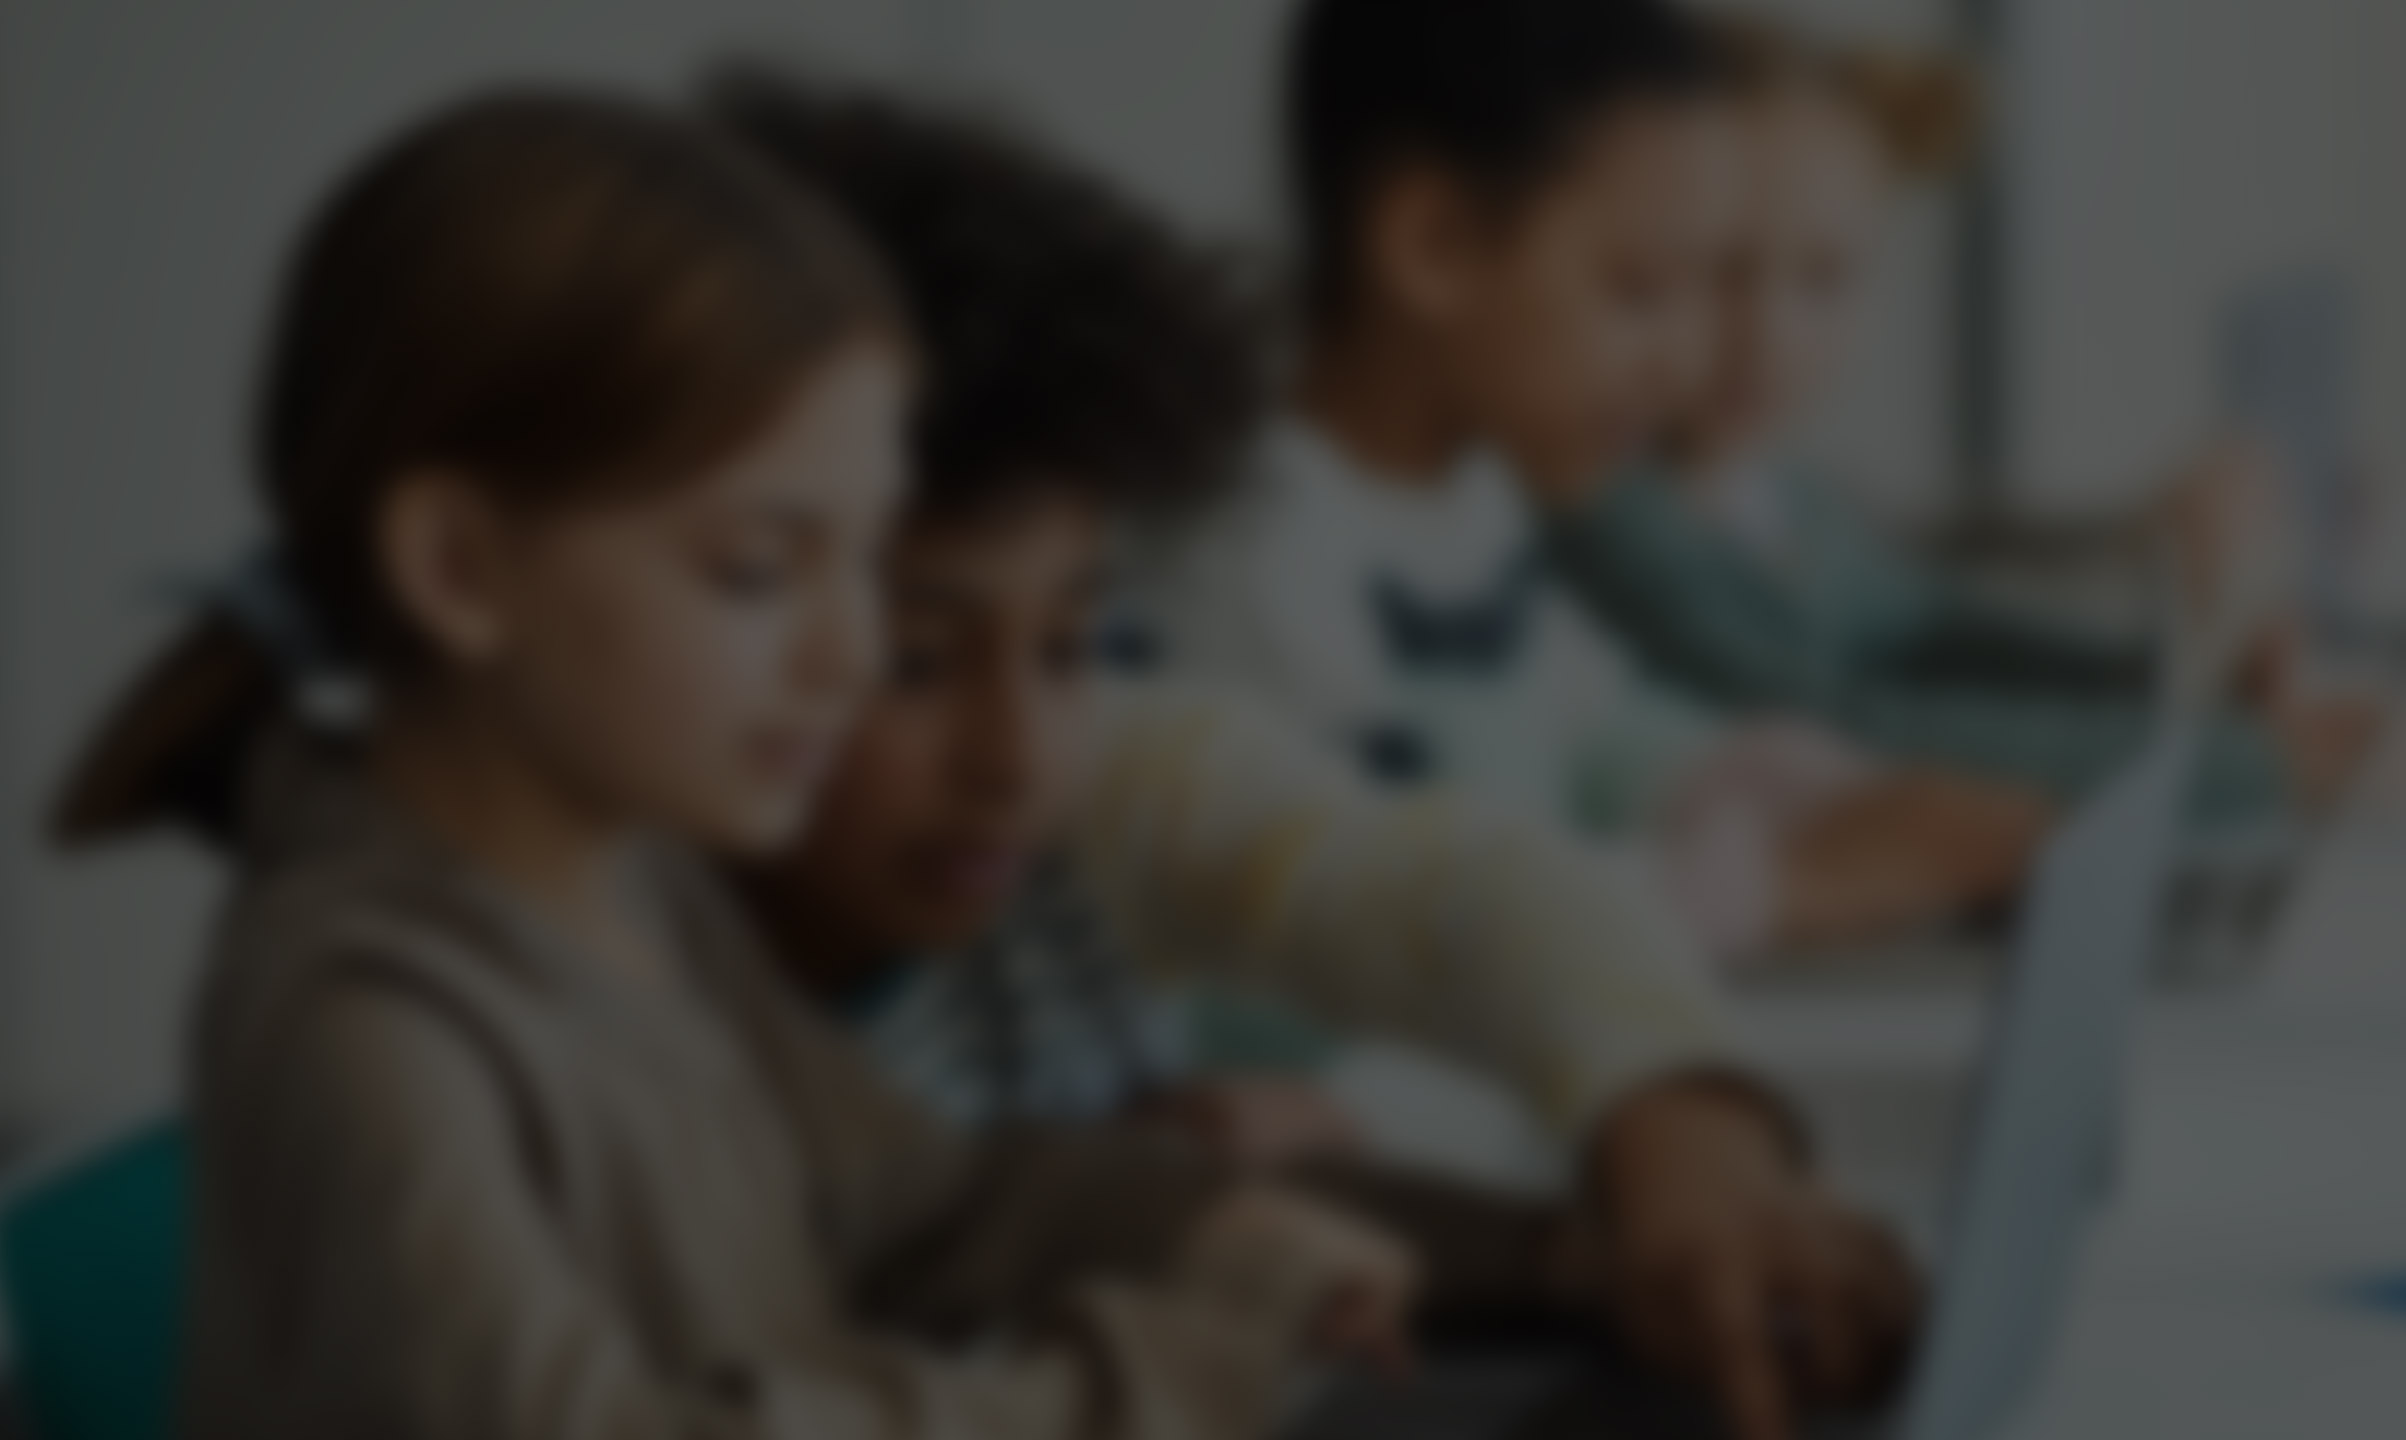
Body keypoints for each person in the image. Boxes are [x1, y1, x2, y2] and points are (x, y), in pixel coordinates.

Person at [51, 88, 1438, 1440]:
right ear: (461, 569)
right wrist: (1169, 1367)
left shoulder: (639, 880)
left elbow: (913, 1197)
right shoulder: (364, 1027)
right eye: (761, 567)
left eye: (864, 563)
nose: (848, 654)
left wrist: (1232, 1225)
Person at [713, 74, 1918, 1440]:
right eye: (915, 661)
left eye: (1069, 639)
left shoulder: (1106, 776)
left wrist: (1694, 1152)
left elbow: (1456, 885)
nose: (1013, 754)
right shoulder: (639, 979)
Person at [1134, 0, 2051, 966]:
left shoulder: (1471, 497)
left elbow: (1596, 723)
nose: (1688, 360)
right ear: (1433, 245)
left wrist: (1821, 796)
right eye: (1639, 289)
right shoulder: (1254, 544)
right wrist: (1774, 885)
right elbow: (1394, 910)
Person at [1543, 16, 2379, 819]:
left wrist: (2161, 681)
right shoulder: (1604, 510)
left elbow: (1933, 626)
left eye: (1826, 277)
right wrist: (2247, 764)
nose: (1769, 335)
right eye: (1722, 268)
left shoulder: (1783, 494)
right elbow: (1849, 727)